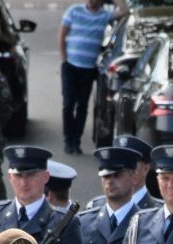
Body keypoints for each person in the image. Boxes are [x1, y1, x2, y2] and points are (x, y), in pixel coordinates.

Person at [57, 0, 113, 155]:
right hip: (70, 66)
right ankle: (68, 141)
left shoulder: (105, 15)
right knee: (68, 104)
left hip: (88, 69)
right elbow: (62, 34)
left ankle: (76, 141)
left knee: (82, 106)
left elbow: (124, 11)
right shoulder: (74, 11)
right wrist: (64, 60)